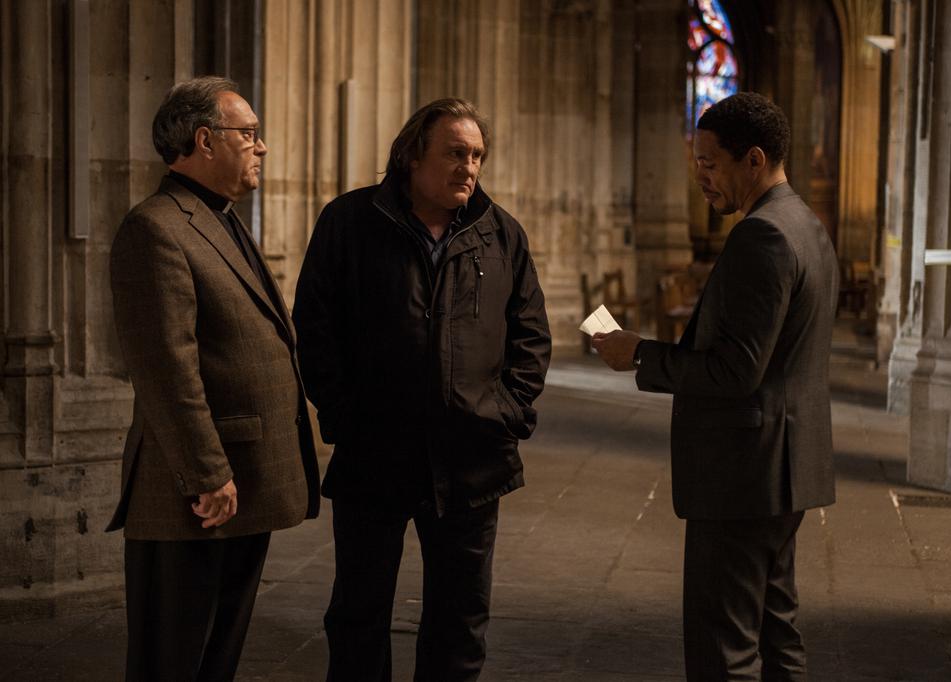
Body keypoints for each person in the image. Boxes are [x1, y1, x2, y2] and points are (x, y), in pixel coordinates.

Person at [293, 97, 551, 681]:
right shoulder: (351, 222)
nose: (469, 167)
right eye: (455, 152)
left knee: (459, 622)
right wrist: (342, 413)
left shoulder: (501, 234)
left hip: (472, 460)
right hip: (375, 454)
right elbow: (315, 325)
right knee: (358, 615)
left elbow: (531, 338)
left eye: (478, 155)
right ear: (412, 155)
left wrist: (503, 415)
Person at [593, 92, 838, 681]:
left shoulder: (763, 236)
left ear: (753, 160)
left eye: (708, 163)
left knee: (722, 649)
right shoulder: (804, 223)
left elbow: (736, 371)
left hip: (743, 477)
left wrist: (640, 354)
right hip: (784, 471)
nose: (698, 176)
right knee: (777, 632)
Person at [107, 76, 320, 681]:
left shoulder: (217, 218)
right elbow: (166, 369)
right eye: (248, 134)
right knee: (173, 659)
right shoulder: (156, 228)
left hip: (239, 484)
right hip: (197, 493)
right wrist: (207, 473)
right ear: (204, 140)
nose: (262, 147)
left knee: (215, 658)